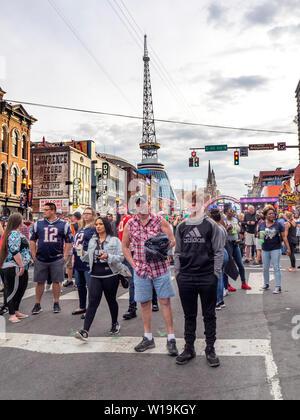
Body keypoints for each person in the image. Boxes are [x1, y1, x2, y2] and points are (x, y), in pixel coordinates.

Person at [122, 194, 178, 356]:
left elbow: (172, 240)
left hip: (160, 267)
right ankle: (148, 337)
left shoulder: (160, 221)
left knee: (165, 302)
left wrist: (161, 249)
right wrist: (133, 265)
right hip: (141, 270)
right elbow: (125, 246)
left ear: (149, 205)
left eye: (144, 204)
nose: (141, 207)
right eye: (138, 205)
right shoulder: (130, 224)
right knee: (144, 303)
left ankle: (171, 338)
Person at [174, 191, 224, 367]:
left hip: (206, 277)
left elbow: (219, 251)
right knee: (189, 315)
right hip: (186, 278)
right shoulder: (181, 227)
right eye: (190, 202)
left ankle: (210, 348)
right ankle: (189, 348)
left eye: (197, 202)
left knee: (209, 314)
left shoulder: (211, 226)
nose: (193, 204)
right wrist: (178, 274)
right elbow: (177, 252)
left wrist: (215, 274)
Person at [75, 217, 125, 341]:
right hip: (95, 275)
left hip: (110, 275)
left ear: (106, 225)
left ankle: (114, 323)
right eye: (96, 224)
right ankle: (85, 331)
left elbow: (120, 257)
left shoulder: (114, 240)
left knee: (111, 301)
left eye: (101, 224)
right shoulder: (93, 241)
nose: (98, 226)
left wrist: (108, 256)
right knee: (92, 302)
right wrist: (82, 253)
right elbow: (88, 258)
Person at [30, 202, 73, 314]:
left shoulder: (64, 224)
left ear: (53, 211)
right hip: (41, 258)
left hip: (56, 257)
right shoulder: (38, 224)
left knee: (56, 281)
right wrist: (33, 255)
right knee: (40, 282)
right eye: (43, 210)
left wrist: (64, 255)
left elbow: (68, 242)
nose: (44, 212)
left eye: (46, 210)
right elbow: (32, 240)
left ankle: (56, 302)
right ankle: (37, 304)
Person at [0, 213, 31, 323]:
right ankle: (12, 313)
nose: (23, 221)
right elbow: (14, 250)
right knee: (12, 289)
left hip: (21, 266)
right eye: (22, 219)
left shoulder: (18, 233)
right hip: (13, 266)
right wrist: (21, 264)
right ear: (18, 221)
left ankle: (16, 310)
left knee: (21, 288)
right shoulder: (13, 233)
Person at [259, 205, 291, 294]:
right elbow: (259, 237)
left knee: (276, 267)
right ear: (265, 215)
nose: (272, 215)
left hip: (275, 248)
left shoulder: (278, 224)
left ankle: (278, 286)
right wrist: (260, 235)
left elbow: (284, 237)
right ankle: (266, 284)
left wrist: (288, 248)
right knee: (265, 268)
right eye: (269, 214)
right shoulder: (261, 224)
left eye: (273, 213)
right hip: (265, 248)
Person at [72, 208, 96, 316]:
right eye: (84, 214)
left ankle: (91, 309)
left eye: (88, 214)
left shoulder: (94, 229)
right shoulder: (80, 228)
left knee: (90, 286)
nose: (85, 216)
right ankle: (82, 306)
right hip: (78, 260)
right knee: (80, 285)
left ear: (93, 215)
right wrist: (73, 257)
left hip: (87, 260)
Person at [223, 204, 251, 290]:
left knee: (240, 264)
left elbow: (236, 231)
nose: (232, 212)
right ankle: (226, 285)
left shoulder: (235, 219)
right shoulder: (223, 221)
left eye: (233, 211)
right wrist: (227, 229)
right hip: (228, 244)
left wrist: (234, 228)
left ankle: (243, 283)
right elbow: (223, 233)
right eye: (230, 211)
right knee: (227, 265)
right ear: (226, 212)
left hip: (236, 243)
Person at [117, 203, 136, 320]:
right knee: (128, 278)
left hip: (128, 251)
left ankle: (132, 307)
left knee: (132, 280)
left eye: (123, 207)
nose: (120, 209)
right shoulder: (122, 219)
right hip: (123, 250)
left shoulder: (128, 218)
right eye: (119, 208)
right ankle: (132, 306)